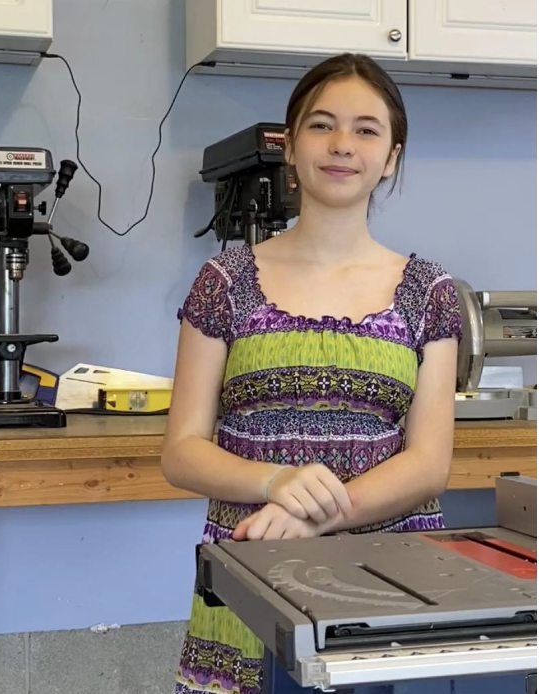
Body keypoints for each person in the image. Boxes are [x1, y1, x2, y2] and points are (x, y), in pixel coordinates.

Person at [162, 52, 462, 694]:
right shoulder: (225, 282)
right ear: (290, 146)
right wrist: (278, 482)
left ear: (392, 158)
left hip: (390, 576)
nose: (342, 145)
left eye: (366, 129)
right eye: (322, 125)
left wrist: (320, 515)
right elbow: (182, 452)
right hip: (252, 569)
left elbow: (430, 461)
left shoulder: (429, 291)